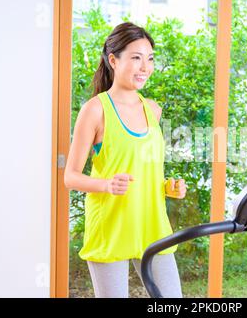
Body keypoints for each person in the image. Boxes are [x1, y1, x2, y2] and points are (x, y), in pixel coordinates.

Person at [64, 22, 186, 298]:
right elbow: (70, 177)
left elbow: (145, 171)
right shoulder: (95, 110)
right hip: (111, 229)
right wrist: (107, 184)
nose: (145, 67)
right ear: (113, 60)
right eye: (136, 58)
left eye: (150, 59)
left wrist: (169, 186)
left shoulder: (152, 110)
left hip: (152, 227)